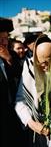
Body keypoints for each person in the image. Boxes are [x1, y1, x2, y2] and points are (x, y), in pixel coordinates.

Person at [0, 17, 27, 147]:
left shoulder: (12, 55)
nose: (4, 42)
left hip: (14, 111)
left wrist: (9, 59)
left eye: (6, 38)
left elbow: (21, 75)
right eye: (0, 39)